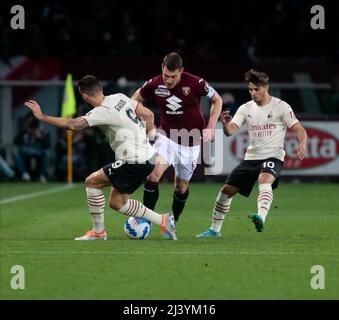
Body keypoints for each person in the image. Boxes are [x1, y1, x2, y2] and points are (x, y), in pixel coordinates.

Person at [24, 75, 177, 240]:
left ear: (85, 97)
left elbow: (72, 125)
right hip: (147, 157)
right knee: (117, 202)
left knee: (91, 182)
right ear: (101, 89)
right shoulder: (119, 97)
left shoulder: (102, 112)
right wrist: (148, 137)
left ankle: (98, 233)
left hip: (134, 161)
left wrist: (42, 117)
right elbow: (148, 114)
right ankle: (163, 220)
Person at [197, 69, 307, 236]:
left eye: (257, 89)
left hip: (273, 156)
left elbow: (299, 128)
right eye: (250, 89)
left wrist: (303, 143)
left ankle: (260, 217)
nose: (253, 93)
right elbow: (230, 131)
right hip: (251, 158)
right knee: (226, 192)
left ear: (266, 87)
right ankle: (214, 230)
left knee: (264, 180)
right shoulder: (245, 108)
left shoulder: (281, 106)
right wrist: (226, 124)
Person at [131, 52, 222, 234]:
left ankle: (173, 221)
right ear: (162, 69)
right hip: (166, 137)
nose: (169, 80)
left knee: (181, 187)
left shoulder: (196, 83)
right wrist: (139, 121)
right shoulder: (154, 84)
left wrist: (211, 126)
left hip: (191, 142)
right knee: (153, 175)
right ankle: (146, 219)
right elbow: (134, 100)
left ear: (181, 71)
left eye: (173, 77)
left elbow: (217, 100)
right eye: (166, 75)